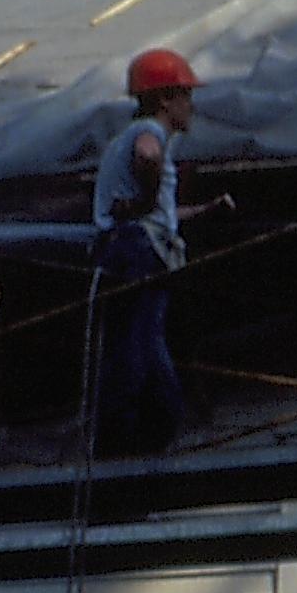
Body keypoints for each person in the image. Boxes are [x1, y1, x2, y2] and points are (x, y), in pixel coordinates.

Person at [89, 47, 216, 457]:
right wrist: (145, 199)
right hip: (137, 251)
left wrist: (207, 210)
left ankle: (157, 426)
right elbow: (149, 159)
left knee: (148, 349)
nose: (190, 105)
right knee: (135, 352)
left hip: (132, 247)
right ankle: (119, 445)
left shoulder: (121, 142)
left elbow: (161, 213)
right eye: (185, 96)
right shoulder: (149, 134)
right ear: (165, 99)